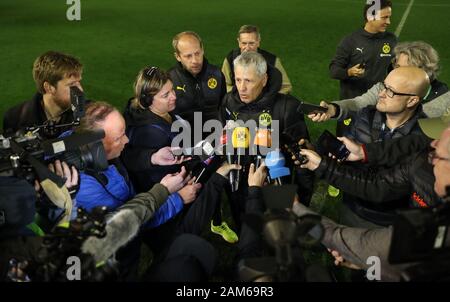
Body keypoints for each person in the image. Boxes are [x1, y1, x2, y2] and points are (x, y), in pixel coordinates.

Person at [292, 119, 450, 281]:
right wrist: (322, 165)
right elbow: (378, 184)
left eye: (438, 154)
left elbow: (361, 244)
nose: (432, 149)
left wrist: (295, 208)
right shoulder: (421, 162)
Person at [219, 51, 313, 231]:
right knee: (246, 231)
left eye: (249, 81)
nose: (242, 88)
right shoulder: (228, 102)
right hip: (240, 184)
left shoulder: (287, 107)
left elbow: (304, 162)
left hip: (277, 185)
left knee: (278, 237)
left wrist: (302, 200)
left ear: (264, 79)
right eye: (238, 80)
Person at [337, 66, 430, 227]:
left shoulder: (425, 136)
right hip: (352, 206)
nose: (381, 94)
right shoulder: (366, 114)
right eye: (383, 86)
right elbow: (346, 155)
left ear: (412, 100)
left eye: (391, 91)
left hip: (386, 220)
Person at [310, 42, 449, 122]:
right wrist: (332, 109)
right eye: (396, 66)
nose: (395, 71)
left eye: (402, 69)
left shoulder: (443, 101)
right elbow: (359, 103)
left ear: (422, 72)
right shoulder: (385, 87)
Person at [329, 0, 396, 135]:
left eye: (389, 17)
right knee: (346, 142)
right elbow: (334, 71)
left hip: (379, 103)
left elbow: (393, 69)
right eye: (384, 17)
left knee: (373, 142)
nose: (388, 22)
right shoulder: (350, 41)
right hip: (352, 105)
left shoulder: (391, 40)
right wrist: (349, 72)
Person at [3, 51, 84, 139]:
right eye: (71, 85)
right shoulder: (14, 119)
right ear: (49, 87)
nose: (80, 90)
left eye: (79, 82)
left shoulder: (90, 114)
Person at [169, 31, 226, 135]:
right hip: (183, 143)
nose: (195, 60)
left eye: (197, 53)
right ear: (177, 56)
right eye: (188, 56)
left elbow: (225, 107)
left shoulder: (217, 74)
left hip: (214, 140)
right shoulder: (169, 80)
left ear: (202, 50)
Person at [222, 24, 292, 94]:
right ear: (239, 42)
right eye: (244, 43)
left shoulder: (272, 61)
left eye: (251, 43)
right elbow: (223, 84)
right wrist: (238, 94)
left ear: (258, 42)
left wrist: (269, 99)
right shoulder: (230, 59)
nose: (247, 48)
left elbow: (286, 87)